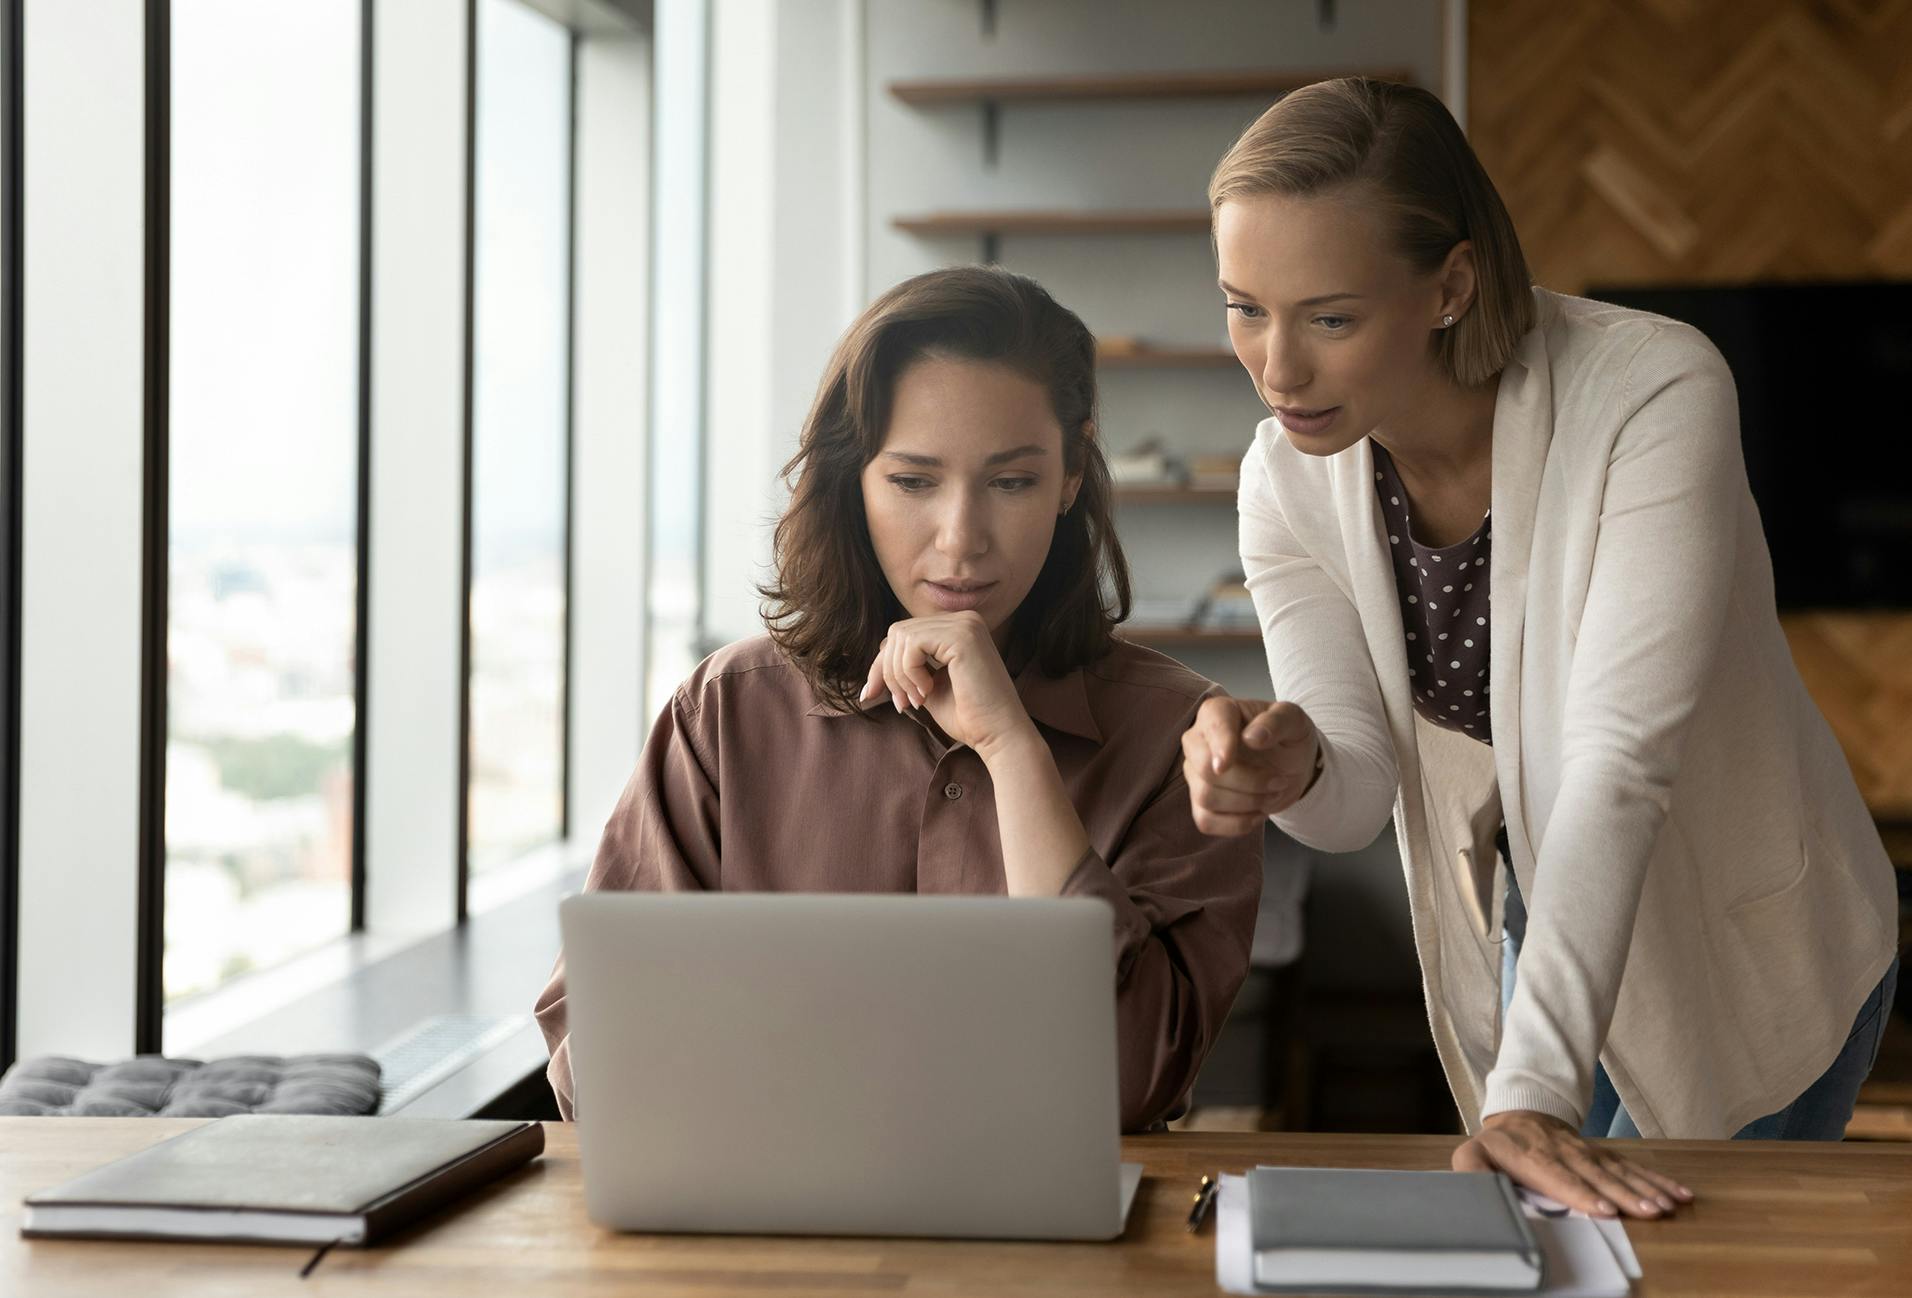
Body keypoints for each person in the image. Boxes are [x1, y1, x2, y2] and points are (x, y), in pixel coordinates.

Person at [1181, 77, 1899, 1218]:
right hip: (1549, 914)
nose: (1276, 369)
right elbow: (1356, 791)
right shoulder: (1286, 476)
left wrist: (1529, 1094)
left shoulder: (1653, 389)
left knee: (1694, 1271)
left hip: (1744, 937)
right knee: (1550, 1252)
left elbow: (1615, 756)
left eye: (1328, 316)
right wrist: (1290, 762)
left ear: (1451, 284)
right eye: (1242, 307)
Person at [537, 266, 1263, 1131]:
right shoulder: (727, 714)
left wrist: (1013, 751)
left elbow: (1123, 1086)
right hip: (766, 1241)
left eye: (1012, 482)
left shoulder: (1178, 737)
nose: (961, 541)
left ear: (1071, 474)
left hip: (1062, 1256)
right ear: (856, 482)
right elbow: (596, 1074)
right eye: (914, 482)